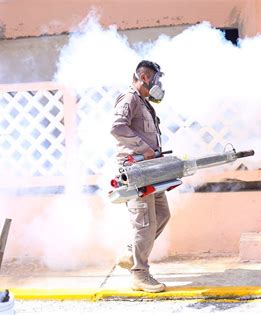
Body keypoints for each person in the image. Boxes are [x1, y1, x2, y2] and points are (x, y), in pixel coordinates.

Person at [110, 60, 170, 293]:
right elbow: (117, 127)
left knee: (162, 214)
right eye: (156, 79)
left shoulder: (143, 103)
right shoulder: (130, 99)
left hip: (150, 168)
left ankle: (129, 252)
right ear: (145, 78)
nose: (159, 84)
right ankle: (140, 275)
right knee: (145, 222)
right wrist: (142, 147)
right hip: (137, 169)